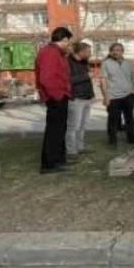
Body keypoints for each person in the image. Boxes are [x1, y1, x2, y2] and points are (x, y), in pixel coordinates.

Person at [35, 27, 73, 174]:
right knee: (54, 130)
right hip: (55, 96)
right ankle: (48, 164)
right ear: (64, 39)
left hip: (60, 95)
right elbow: (47, 78)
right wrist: (57, 95)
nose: (69, 44)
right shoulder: (49, 53)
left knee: (59, 129)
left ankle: (58, 160)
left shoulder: (57, 53)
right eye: (68, 41)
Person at [100, 43, 134, 146]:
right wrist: (106, 96)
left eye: (118, 50)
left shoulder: (129, 63)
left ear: (122, 51)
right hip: (113, 96)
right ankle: (112, 140)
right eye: (113, 50)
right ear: (110, 52)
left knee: (130, 118)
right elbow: (103, 80)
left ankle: (132, 138)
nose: (116, 52)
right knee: (113, 119)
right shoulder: (106, 63)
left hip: (128, 95)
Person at [66, 42, 95, 161]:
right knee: (74, 126)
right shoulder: (67, 62)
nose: (90, 54)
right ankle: (71, 151)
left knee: (83, 125)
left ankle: (80, 147)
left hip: (87, 97)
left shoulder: (84, 62)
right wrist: (86, 76)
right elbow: (67, 80)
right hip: (76, 98)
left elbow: (88, 80)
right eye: (88, 51)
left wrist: (92, 95)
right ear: (80, 51)